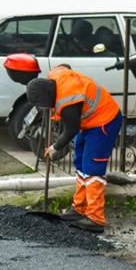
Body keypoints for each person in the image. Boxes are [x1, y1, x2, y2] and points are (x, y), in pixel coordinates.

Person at [26, 65, 123, 232]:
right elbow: (65, 66)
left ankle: (95, 218)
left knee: (92, 168)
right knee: (80, 163)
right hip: (90, 122)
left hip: (104, 122)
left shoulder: (67, 101)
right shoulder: (56, 75)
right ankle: (79, 208)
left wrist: (55, 148)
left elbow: (71, 129)